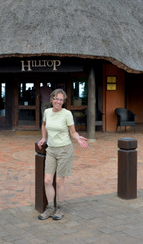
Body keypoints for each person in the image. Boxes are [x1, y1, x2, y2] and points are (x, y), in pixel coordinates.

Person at [37, 88, 88, 220]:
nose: (58, 101)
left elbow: (73, 132)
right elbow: (44, 125)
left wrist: (78, 138)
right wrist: (43, 138)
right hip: (51, 150)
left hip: (65, 150)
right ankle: (50, 208)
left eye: (61, 99)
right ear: (52, 99)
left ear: (63, 101)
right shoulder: (47, 112)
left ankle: (60, 208)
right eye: (56, 99)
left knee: (59, 181)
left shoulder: (67, 114)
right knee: (48, 180)